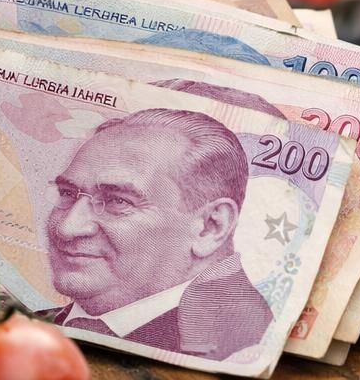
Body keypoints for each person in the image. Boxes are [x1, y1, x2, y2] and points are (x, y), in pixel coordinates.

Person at [44, 108, 273, 359]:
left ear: (211, 227)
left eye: (117, 201)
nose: (67, 228)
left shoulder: (247, 349)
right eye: (67, 193)